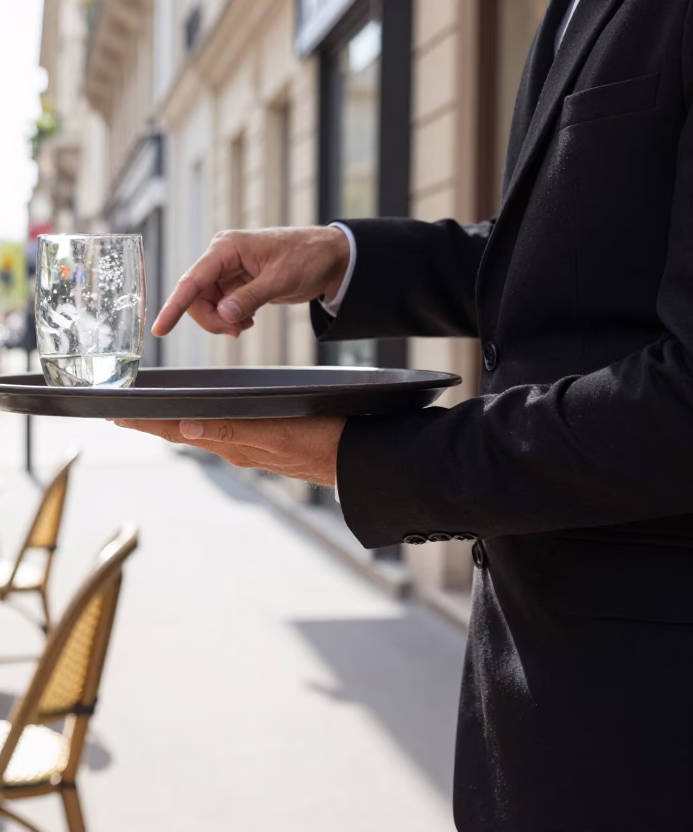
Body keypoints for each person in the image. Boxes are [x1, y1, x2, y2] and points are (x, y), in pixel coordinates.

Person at [117, 1, 693, 828]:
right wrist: (341, 256)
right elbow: (554, 258)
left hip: (651, 722)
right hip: (540, 697)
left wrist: (366, 465)